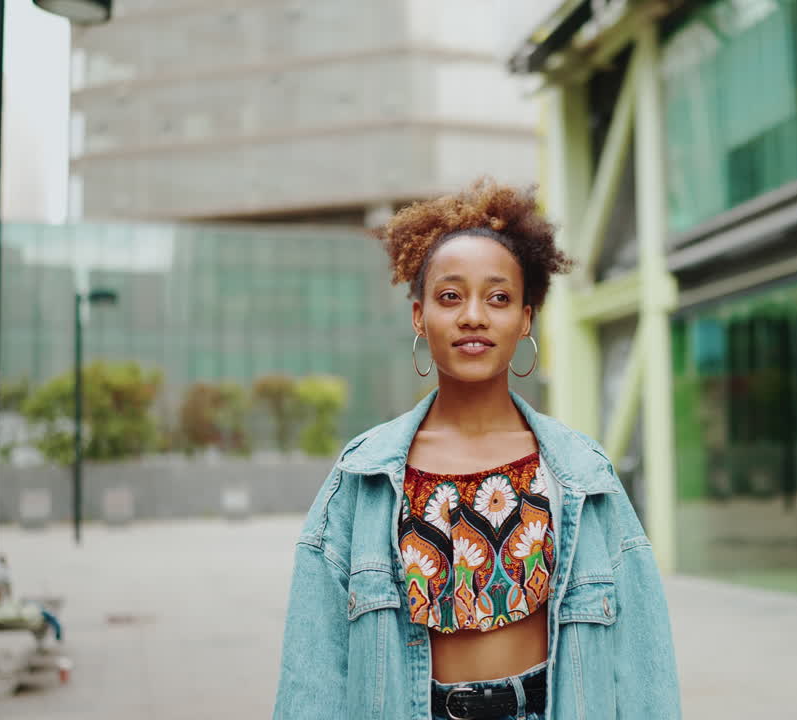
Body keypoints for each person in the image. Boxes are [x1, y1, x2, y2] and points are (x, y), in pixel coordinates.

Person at [273, 179, 681, 720]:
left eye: (498, 297)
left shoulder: (582, 475)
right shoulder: (363, 475)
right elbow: (315, 666)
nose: (473, 316)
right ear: (420, 316)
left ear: (526, 319)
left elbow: (640, 656)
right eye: (449, 296)